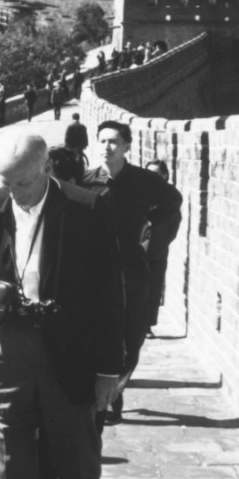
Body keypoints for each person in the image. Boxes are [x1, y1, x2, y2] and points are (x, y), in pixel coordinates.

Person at [0, 134, 124, 479]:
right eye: (7, 183)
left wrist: (108, 368)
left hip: (69, 353)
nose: (14, 192)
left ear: (45, 170)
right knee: (10, 468)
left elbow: (111, 293)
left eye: (22, 183)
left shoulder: (86, 209)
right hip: (8, 351)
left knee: (75, 456)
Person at [81, 122, 182, 423]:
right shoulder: (86, 181)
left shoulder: (142, 180)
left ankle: (116, 388)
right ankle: (106, 398)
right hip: (94, 270)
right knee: (97, 331)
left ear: (127, 146)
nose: (106, 147)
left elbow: (172, 201)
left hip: (131, 268)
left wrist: (149, 224)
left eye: (113, 141)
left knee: (133, 333)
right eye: (101, 141)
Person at [144, 159, 173, 337]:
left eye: (156, 174)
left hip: (157, 250)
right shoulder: (140, 194)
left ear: (165, 176)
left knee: (153, 289)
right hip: (135, 251)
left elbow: (171, 228)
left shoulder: (170, 198)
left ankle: (147, 326)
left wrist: (158, 241)